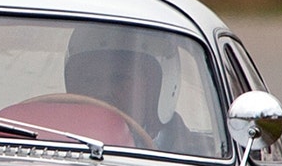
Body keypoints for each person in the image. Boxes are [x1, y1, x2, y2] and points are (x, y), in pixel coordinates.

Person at [63, 24, 197, 153]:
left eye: (119, 79)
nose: (102, 92)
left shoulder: (194, 155)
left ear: (156, 87)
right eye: (90, 79)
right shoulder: (52, 140)